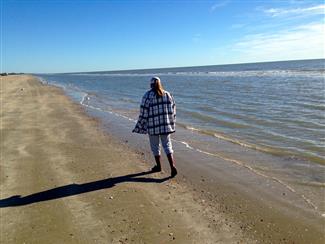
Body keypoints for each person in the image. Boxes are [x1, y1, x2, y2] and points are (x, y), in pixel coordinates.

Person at [132, 76, 177, 177]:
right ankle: (172, 166)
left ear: (151, 85)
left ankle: (159, 166)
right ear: (160, 83)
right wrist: (171, 122)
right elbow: (173, 111)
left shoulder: (147, 96)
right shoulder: (168, 95)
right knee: (167, 145)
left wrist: (140, 125)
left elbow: (143, 112)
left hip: (153, 126)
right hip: (165, 126)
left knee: (155, 146)